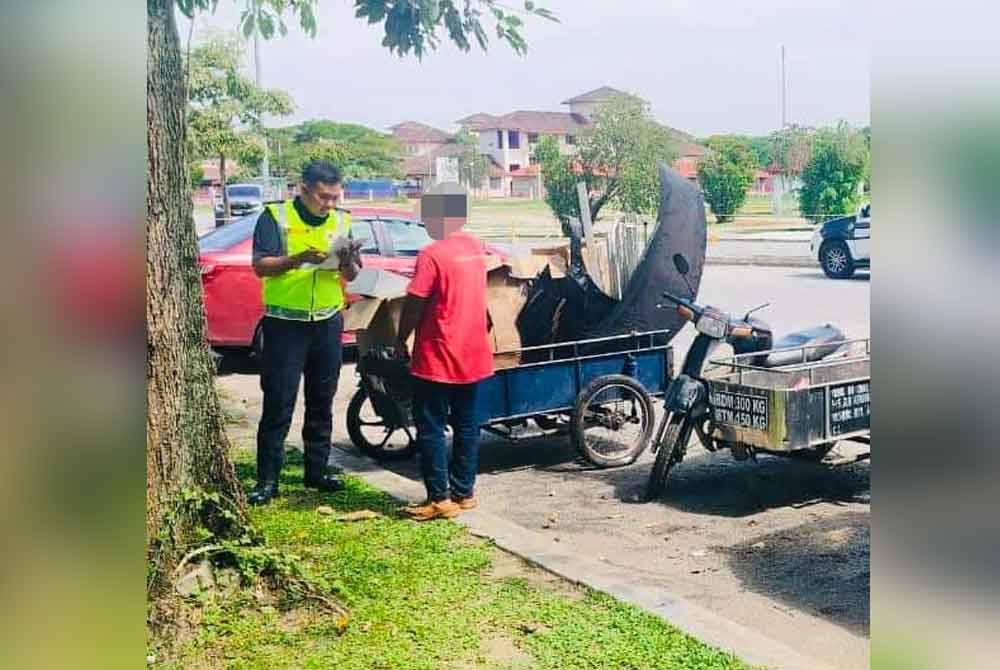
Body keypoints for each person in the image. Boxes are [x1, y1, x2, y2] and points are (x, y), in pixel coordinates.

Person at [247, 161, 362, 505]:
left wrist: (347, 261)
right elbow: (259, 265)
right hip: (285, 325)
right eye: (323, 197)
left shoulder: (342, 221)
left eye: (334, 197)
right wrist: (296, 259)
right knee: (278, 403)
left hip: (327, 321)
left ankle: (317, 470)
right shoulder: (275, 216)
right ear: (303, 188)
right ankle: (267, 480)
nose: (328, 204)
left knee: (322, 399)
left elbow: (353, 275)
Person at [396, 220, 494, 521]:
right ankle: (464, 493)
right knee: (466, 424)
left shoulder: (432, 254)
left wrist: (401, 338)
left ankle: (439, 498)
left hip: (439, 353)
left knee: (431, 427)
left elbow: (415, 302)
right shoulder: (474, 247)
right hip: (473, 350)